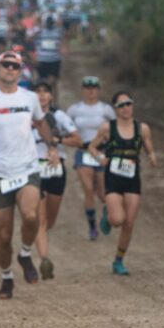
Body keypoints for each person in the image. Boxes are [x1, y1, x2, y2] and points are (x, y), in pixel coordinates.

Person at [0, 51, 60, 300]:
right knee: (4, 235)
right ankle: (7, 276)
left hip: (27, 168)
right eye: (5, 65)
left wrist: (51, 147)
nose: (10, 69)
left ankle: (26, 254)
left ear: (20, 71)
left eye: (14, 66)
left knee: (31, 216)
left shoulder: (30, 98)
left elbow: (41, 123)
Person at [87, 91, 157, 275]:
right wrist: (100, 157)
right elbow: (92, 147)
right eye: (121, 105)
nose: (125, 108)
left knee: (129, 222)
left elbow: (148, 147)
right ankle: (108, 214)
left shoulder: (142, 128)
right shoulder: (107, 128)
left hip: (132, 177)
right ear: (115, 109)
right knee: (117, 219)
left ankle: (118, 260)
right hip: (113, 176)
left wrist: (151, 156)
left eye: (128, 104)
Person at [32, 81, 82, 279]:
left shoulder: (59, 116)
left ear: (51, 96)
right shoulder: (26, 117)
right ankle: (45, 260)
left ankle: (38, 239)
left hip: (55, 170)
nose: (42, 96)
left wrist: (57, 141)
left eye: (46, 92)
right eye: (38, 92)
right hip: (34, 169)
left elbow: (78, 140)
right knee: (40, 220)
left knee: (50, 220)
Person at [66, 76, 115, 240]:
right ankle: (92, 227)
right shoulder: (74, 109)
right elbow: (65, 127)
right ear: (82, 90)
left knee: (102, 193)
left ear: (98, 90)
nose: (90, 90)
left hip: (101, 152)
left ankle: (107, 212)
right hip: (83, 152)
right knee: (88, 190)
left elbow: (117, 129)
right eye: (87, 87)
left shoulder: (106, 109)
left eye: (94, 87)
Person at [34, 15, 66, 94]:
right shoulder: (40, 32)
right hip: (42, 60)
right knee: (42, 83)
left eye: (50, 22)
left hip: (54, 60)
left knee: (53, 83)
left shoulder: (58, 32)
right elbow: (32, 39)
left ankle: (54, 104)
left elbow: (63, 39)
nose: (49, 24)